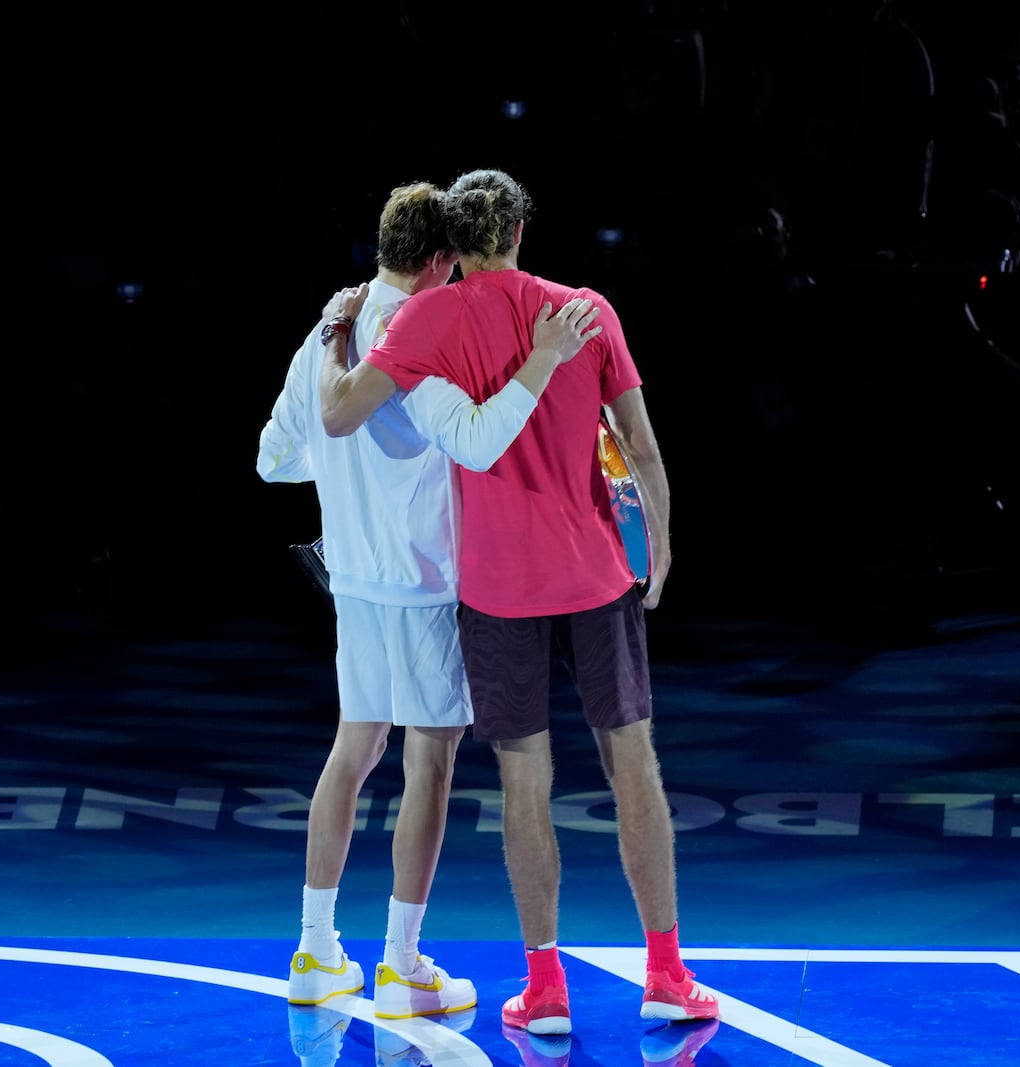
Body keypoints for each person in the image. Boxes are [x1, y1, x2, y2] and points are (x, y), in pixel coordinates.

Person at [318, 168, 717, 1035]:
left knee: (524, 782)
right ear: (522, 232)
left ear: (453, 249)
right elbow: (641, 449)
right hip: (596, 581)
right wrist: (664, 543)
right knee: (633, 766)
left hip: (497, 592)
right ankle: (665, 973)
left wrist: (337, 334)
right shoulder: (586, 311)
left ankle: (544, 991)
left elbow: (343, 415)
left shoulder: (427, 316)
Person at [256, 181, 600, 1022]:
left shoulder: (326, 332)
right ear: (443, 260)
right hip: (424, 585)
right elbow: (478, 444)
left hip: (354, 585)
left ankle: (315, 949)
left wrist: (352, 482)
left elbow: (276, 458)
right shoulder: (428, 334)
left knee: (353, 749)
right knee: (429, 765)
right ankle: (402, 966)